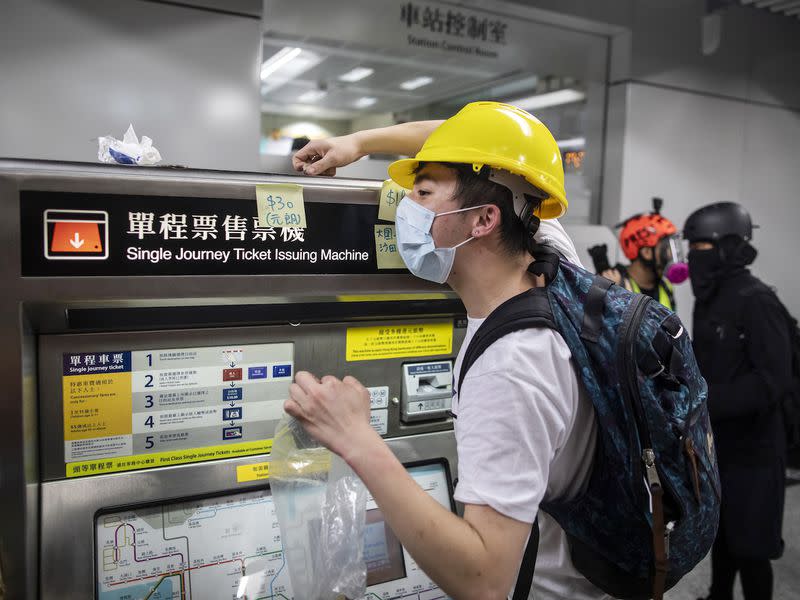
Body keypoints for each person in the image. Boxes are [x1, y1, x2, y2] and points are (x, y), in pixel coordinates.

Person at [286, 102, 606, 599]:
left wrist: (354, 438)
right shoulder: (547, 253)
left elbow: (484, 582)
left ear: (482, 220)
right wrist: (359, 143)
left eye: (423, 192)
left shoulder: (511, 365)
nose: (404, 204)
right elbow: (480, 138)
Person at [684, 202, 790, 600]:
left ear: (728, 247)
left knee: (752, 547)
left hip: (756, 451)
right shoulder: (710, 299)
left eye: (702, 247)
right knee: (723, 533)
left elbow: (772, 381)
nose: (694, 257)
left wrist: (707, 400)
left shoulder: (757, 300)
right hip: (719, 445)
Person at [591, 199, 686, 311]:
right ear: (646, 252)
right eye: (667, 248)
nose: (671, 254)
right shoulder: (613, 282)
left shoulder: (666, 287)